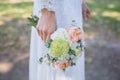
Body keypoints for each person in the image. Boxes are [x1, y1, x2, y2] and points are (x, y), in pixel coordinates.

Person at [29, 0, 91, 80]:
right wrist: (47, 10)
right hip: (53, 7)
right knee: (52, 60)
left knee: (71, 55)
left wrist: (81, 2)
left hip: (73, 5)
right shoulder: (48, 11)